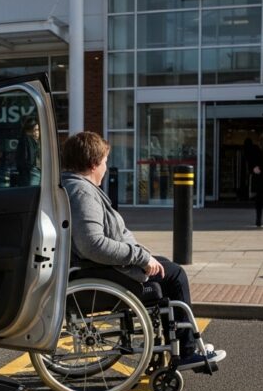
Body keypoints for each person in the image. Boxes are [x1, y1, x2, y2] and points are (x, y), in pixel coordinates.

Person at [60, 132, 223, 371]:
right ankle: (186, 352)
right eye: (105, 161)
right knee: (174, 275)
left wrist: (142, 256)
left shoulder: (73, 185)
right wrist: (140, 257)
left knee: (166, 265)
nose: (106, 167)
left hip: (100, 269)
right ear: (93, 164)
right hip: (99, 274)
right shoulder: (82, 193)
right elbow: (92, 244)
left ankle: (183, 347)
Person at [14, 116, 41, 187]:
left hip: (35, 171)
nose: (36, 133)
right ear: (28, 131)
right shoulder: (26, 140)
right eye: (34, 130)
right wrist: (30, 168)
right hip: (32, 172)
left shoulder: (36, 142)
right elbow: (23, 160)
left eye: (37, 130)